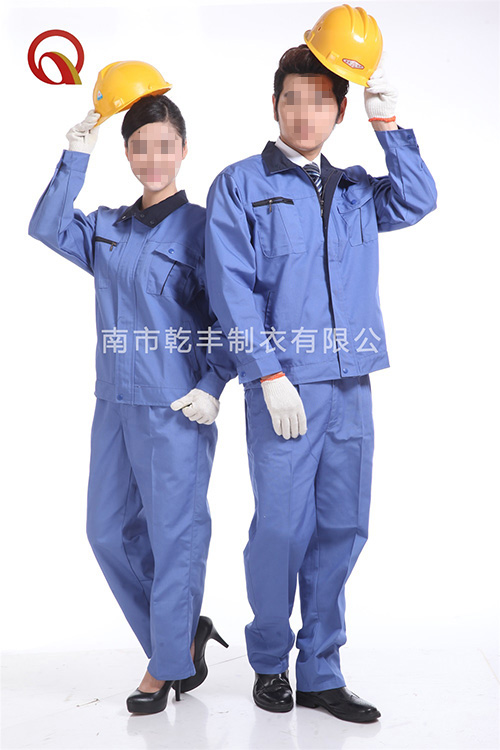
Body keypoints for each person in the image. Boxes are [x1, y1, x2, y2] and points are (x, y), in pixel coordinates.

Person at [205, 45, 437, 722]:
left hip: (351, 386)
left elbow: (419, 198)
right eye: (292, 99)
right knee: (281, 529)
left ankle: (322, 671)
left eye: (319, 101)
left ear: (339, 111)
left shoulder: (358, 189)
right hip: (285, 385)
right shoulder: (241, 185)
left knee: (341, 527)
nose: (304, 114)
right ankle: (269, 663)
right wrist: (268, 373)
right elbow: (231, 289)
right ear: (274, 105)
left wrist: (389, 125)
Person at [28, 93, 236, 715]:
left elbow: (232, 316)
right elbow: (47, 226)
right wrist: (75, 155)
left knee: (175, 538)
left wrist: (213, 385)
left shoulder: (204, 230)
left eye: (164, 146)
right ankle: (181, 636)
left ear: (184, 149)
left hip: (176, 407)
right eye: (140, 146)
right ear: (125, 153)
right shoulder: (106, 227)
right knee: (106, 531)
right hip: (113, 404)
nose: (152, 158)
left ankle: (165, 666)